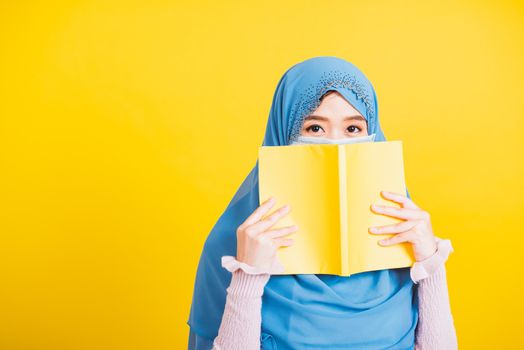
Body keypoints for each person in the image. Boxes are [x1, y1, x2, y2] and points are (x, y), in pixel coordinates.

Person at [187, 56, 457, 350]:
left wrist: (431, 265)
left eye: (353, 129)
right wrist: (248, 277)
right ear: (283, 135)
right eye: (315, 128)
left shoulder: (406, 240)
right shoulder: (230, 246)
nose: (335, 144)